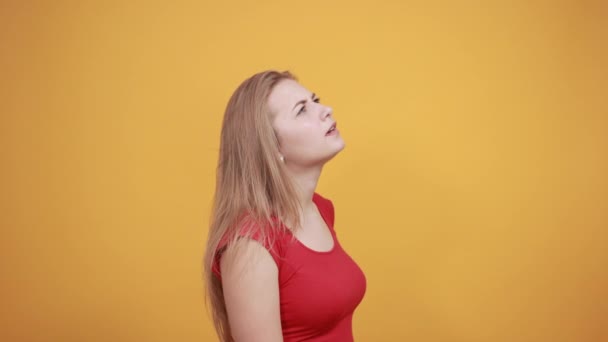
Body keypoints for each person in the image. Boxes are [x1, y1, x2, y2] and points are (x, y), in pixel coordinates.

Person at [203, 70, 366, 342]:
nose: (326, 110)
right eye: (302, 110)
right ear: (271, 145)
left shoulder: (321, 210)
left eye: (315, 100)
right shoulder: (250, 243)